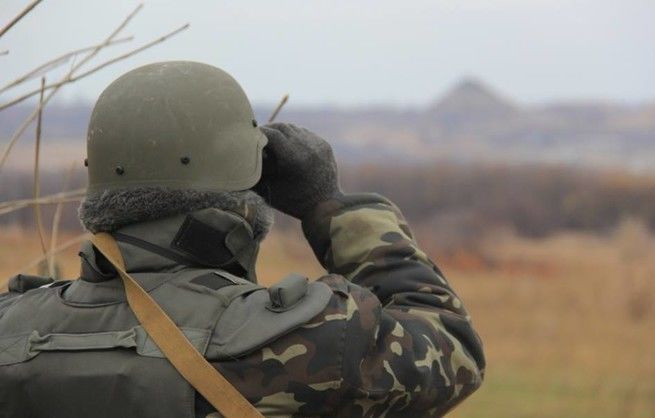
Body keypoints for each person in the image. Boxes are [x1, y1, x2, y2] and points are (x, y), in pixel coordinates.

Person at [0, 61, 485, 417]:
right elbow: (452, 347)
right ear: (243, 196)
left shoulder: (10, 330)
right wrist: (327, 204)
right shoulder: (308, 342)